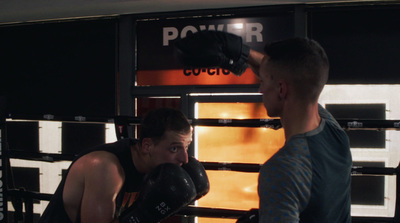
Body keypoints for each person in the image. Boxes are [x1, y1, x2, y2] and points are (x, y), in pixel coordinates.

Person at [175, 31, 352, 223]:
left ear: (281, 89)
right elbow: (302, 81)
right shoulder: (336, 135)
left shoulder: (283, 170)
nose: (260, 89)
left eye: (263, 81)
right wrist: (242, 53)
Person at [38, 107, 209, 223]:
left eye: (186, 147)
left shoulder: (153, 169)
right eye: (174, 148)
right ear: (147, 146)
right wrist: (143, 217)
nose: (185, 158)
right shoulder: (105, 168)